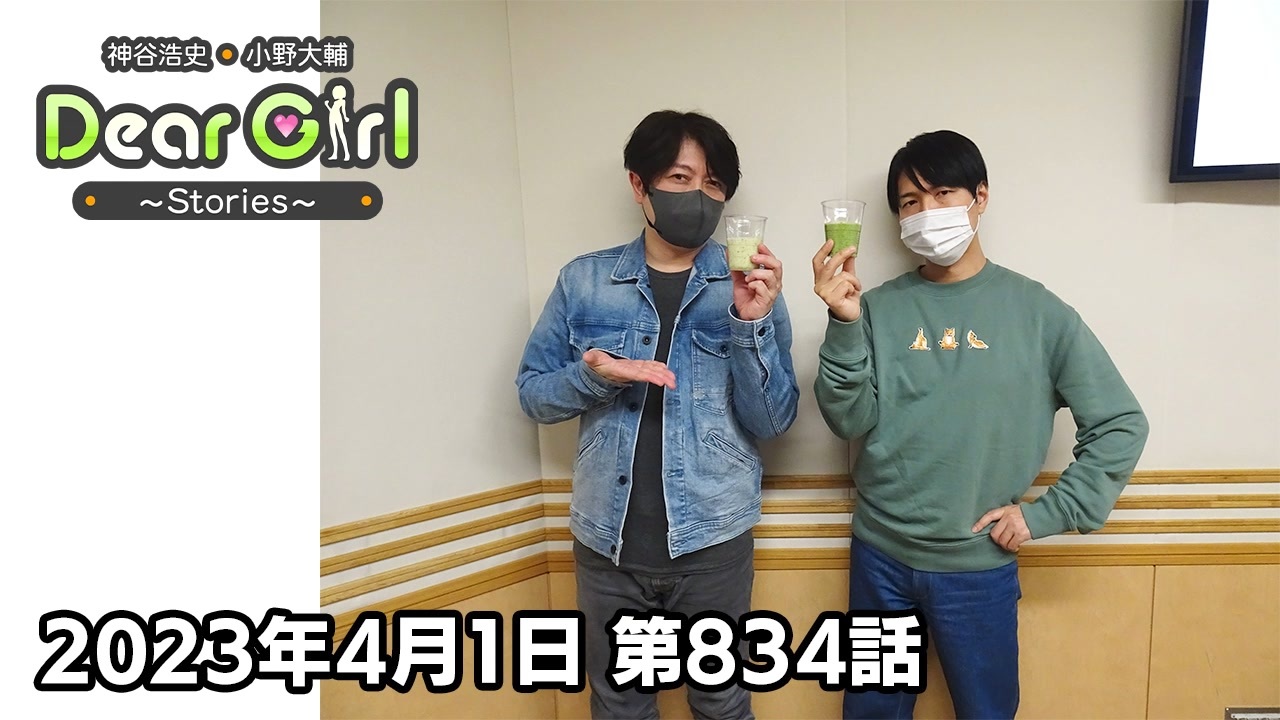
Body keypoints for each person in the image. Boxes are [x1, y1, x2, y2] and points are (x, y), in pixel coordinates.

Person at [810, 129, 1149, 719]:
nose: (926, 211)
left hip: (978, 567)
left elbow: (1120, 423)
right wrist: (843, 320)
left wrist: (1045, 515)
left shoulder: (1038, 312)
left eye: (943, 193)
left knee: (987, 713)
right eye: (910, 202)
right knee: (869, 714)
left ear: (980, 196)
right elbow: (848, 419)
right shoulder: (876, 308)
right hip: (880, 557)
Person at [516, 110, 799, 719]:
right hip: (607, 546)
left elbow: (773, 422)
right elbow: (533, 396)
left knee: (722, 703)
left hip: (714, 542)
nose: (699, 196)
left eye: (714, 184)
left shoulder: (752, 286)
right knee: (619, 706)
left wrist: (750, 325)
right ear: (638, 185)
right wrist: (594, 376)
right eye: (679, 177)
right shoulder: (584, 281)